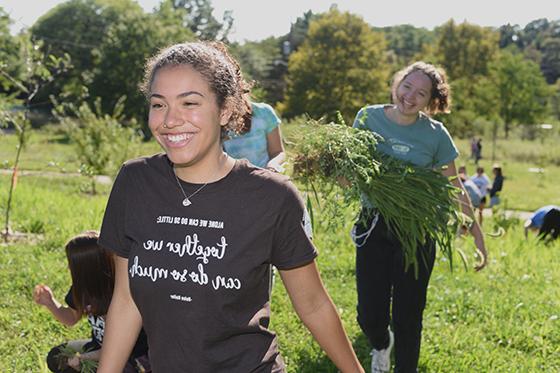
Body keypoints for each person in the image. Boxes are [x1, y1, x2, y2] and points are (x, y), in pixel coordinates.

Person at [96, 41, 364, 373]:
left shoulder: (271, 196)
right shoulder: (135, 182)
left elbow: (313, 305)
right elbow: (126, 299)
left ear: (224, 110)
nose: (170, 120)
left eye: (190, 102)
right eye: (158, 104)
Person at [352, 61, 487, 373]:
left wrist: (478, 237)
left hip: (418, 231)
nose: (410, 96)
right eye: (407, 86)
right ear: (397, 84)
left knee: (409, 315)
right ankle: (382, 344)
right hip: (374, 224)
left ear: (431, 101)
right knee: (369, 314)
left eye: (421, 93)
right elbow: (353, 168)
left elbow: (456, 188)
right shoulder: (368, 117)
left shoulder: (436, 135)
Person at [33, 231, 150, 373]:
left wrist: (83, 358)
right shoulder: (83, 289)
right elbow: (71, 318)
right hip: (97, 348)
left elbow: (116, 348)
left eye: (72, 264)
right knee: (56, 356)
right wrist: (50, 303)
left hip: (127, 356)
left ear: (87, 269)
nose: (68, 268)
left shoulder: (120, 295)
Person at [223, 101, 286, 172]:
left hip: (264, 176)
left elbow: (278, 152)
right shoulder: (218, 117)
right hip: (234, 179)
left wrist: (272, 165)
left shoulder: (264, 112)